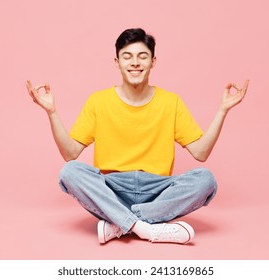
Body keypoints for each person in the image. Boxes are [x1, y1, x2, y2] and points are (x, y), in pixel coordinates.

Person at [26, 28, 249, 245]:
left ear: (153, 61)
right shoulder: (98, 101)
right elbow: (70, 153)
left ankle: (119, 223)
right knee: (71, 171)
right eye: (127, 57)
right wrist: (52, 111)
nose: (135, 62)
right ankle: (144, 228)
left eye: (142, 56)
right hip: (112, 188)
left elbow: (200, 153)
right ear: (117, 62)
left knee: (205, 180)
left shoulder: (171, 102)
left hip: (158, 190)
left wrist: (223, 109)